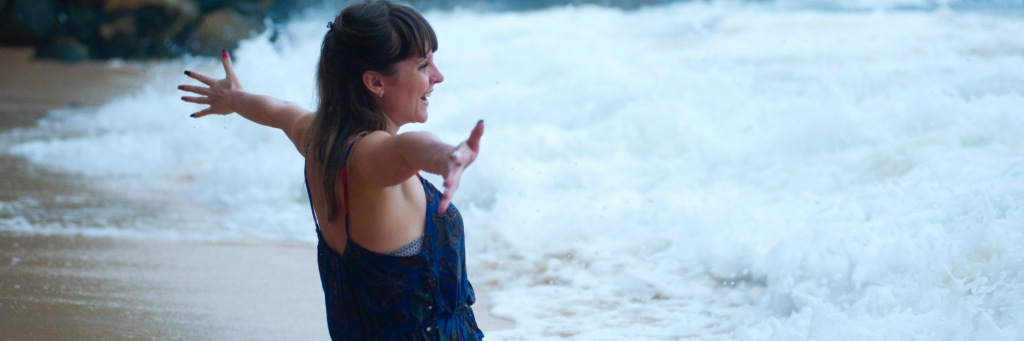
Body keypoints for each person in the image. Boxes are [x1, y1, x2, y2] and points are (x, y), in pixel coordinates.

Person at [176, 1, 485, 339]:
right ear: (375, 82)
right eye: (423, 65)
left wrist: (235, 99)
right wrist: (447, 156)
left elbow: (278, 110)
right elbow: (411, 148)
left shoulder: (317, 139)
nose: (438, 76)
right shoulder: (369, 158)